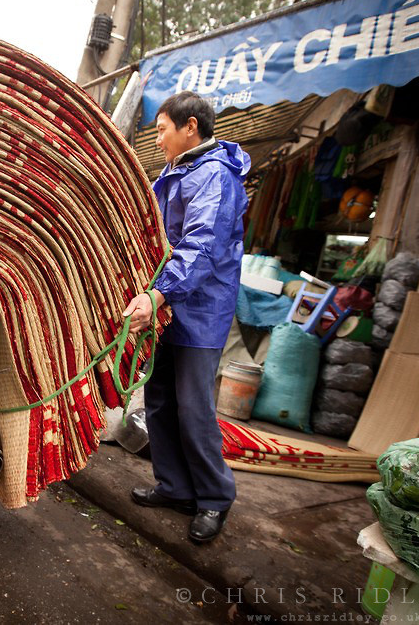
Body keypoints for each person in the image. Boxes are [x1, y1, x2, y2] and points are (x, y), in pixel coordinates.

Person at [122, 91, 250, 544]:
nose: (157, 140)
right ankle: (175, 487)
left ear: (190, 126)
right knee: (158, 401)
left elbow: (199, 249)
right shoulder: (175, 172)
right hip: (168, 306)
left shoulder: (215, 176)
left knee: (194, 408)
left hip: (199, 310)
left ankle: (214, 497)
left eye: (161, 130)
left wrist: (157, 295)